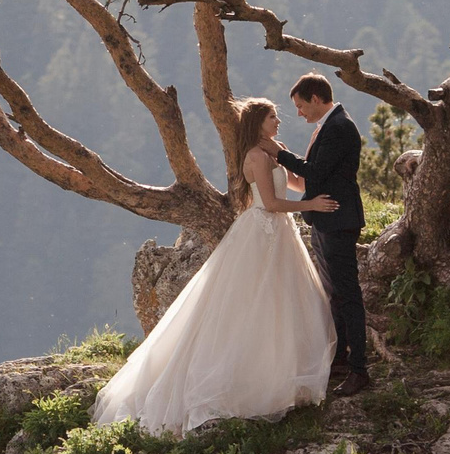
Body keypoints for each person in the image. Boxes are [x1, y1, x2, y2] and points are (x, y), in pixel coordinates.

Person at [91, 97, 336, 435]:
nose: (278, 121)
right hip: (263, 232)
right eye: (272, 116)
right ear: (258, 122)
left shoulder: (272, 150)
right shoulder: (254, 156)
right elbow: (272, 203)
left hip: (280, 235)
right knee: (254, 302)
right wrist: (313, 206)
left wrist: (303, 160)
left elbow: (296, 183)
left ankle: (286, 374)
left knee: (282, 301)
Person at [277, 73, 372, 397]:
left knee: (348, 295)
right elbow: (314, 178)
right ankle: (343, 361)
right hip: (325, 221)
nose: (300, 113)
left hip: (338, 221)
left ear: (316, 98)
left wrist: (278, 154)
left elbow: (315, 172)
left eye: (301, 106)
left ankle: (359, 369)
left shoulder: (339, 127)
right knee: (334, 294)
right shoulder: (329, 126)